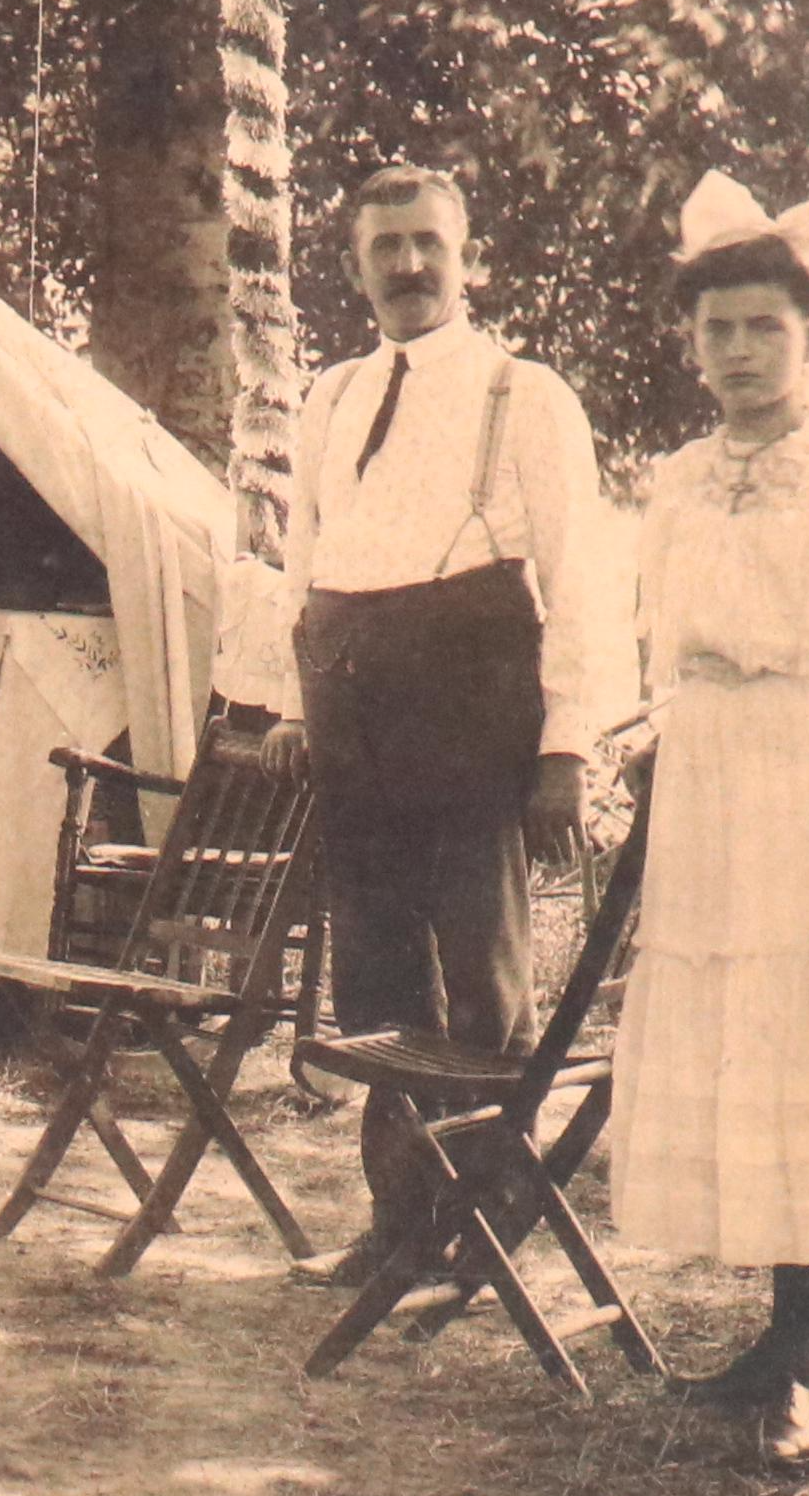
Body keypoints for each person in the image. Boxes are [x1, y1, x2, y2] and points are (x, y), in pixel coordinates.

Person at [263, 164, 626, 1288]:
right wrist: (289, 703)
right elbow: (304, 562)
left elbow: (582, 579)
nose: (410, 266)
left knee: (484, 985)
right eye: (386, 248)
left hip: (472, 705)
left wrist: (567, 744)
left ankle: (490, 1238)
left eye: (429, 243)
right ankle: (403, 1226)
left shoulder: (524, 393)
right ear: (354, 267)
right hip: (348, 701)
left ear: (467, 258)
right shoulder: (327, 396)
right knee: (372, 985)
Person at [611, 171, 809, 1465]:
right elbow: (656, 643)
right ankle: (790, 1334)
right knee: (739, 1043)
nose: (733, 352)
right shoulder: (674, 479)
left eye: (760, 328)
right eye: (713, 328)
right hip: (715, 774)